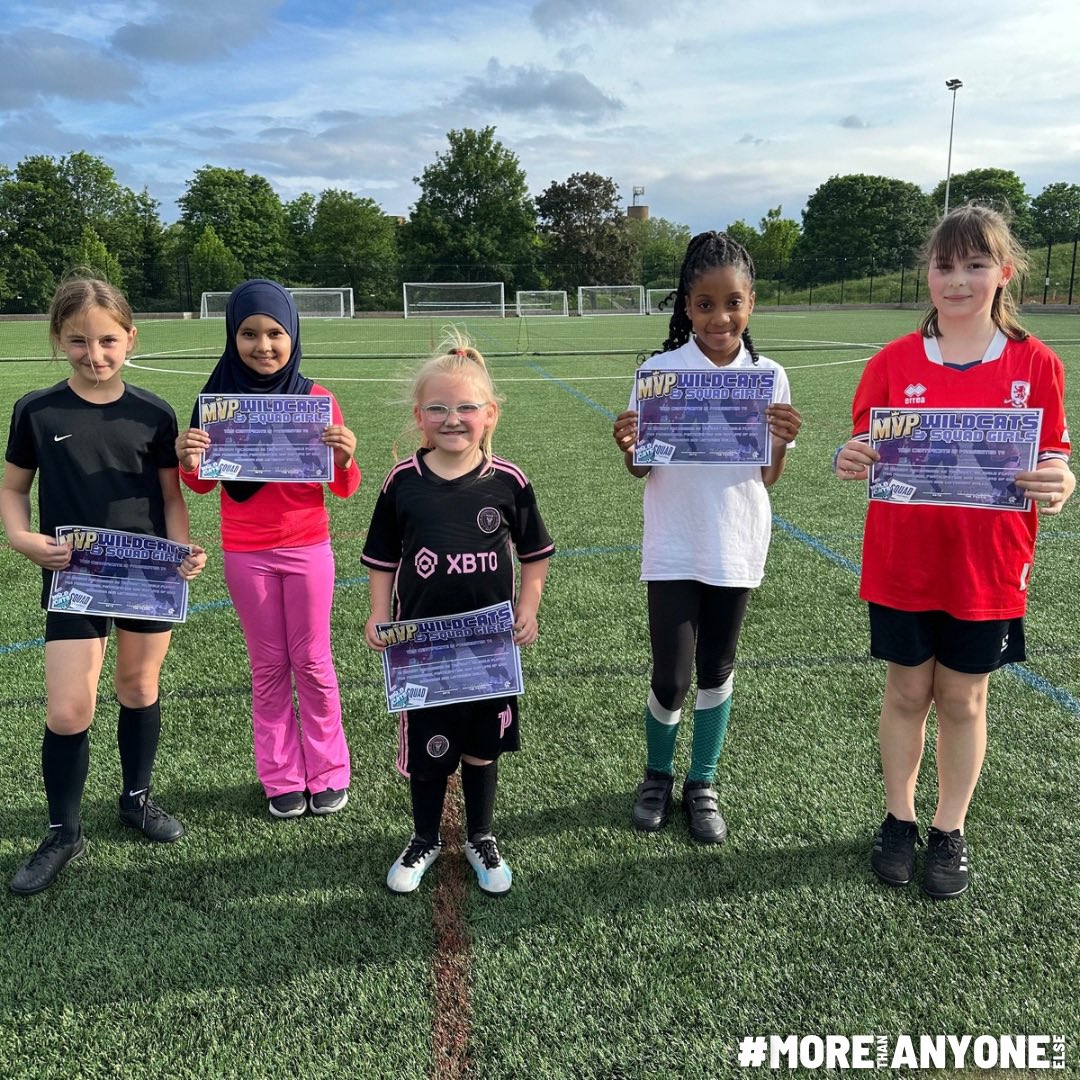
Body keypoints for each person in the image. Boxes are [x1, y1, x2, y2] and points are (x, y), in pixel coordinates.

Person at [833, 204, 1074, 899]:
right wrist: (850, 455)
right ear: (929, 275)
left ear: (1004, 272)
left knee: (964, 700)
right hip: (903, 561)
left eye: (975, 265)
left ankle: (950, 828)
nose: (958, 279)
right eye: (945, 265)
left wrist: (1063, 479)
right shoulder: (891, 363)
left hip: (988, 566)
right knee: (908, 690)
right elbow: (865, 446)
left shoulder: (1036, 364)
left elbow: (1054, 456)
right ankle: (898, 819)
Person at [2, 277, 206, 895]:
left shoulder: (153, 412)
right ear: (58, 341)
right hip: (74, 578)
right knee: (69, 710)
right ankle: (63, 830)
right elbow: (13, 490)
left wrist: (180, 551)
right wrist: (22, 538)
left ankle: (136, 799)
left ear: (130, 338)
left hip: (145, 576)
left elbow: (171, 499)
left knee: (138, 686)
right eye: (79, 341)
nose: (95, 354)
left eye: (108, 341)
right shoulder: (37, 410)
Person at [612, 232, 801, 843]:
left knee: (717, 669)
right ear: (685, 307)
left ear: (752, 303)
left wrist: (781, 439)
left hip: (737, 541)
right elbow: (643, 467)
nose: (720, 318)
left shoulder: (769, 377)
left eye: (733, 303)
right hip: (673, 541)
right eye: (705, 304)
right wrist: (629, 445)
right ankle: (657, 775)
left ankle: (703, 781)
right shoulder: (659, 373)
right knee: (671, 675)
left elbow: (768, 476)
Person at [362, 332, 553, 896]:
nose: (453, 419)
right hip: (421, 651)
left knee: (480, 744)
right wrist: (378, 616)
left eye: (466, 408)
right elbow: (382, 559)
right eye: (439, 409)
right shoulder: (403, 482)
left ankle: (480, 836)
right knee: (428, 749)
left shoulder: (508, 481)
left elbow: (535, 555)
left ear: (489, 414)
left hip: (489, 651)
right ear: (419, 416)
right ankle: (424, 836)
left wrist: (528, 606)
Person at [176, 280, 360, 819]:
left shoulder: (317, 398)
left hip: (308, 548)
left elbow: (343, 486)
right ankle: (280, 776)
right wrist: (190, 459)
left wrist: (346, 456)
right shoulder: (217, 402)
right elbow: (206, 484)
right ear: (232, 337)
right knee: (268, 666)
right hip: (245, 552)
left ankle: (328, 770)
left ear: (293, 334)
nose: (263, 346)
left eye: (275, 333)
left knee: (313, 660)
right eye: (249, 334)